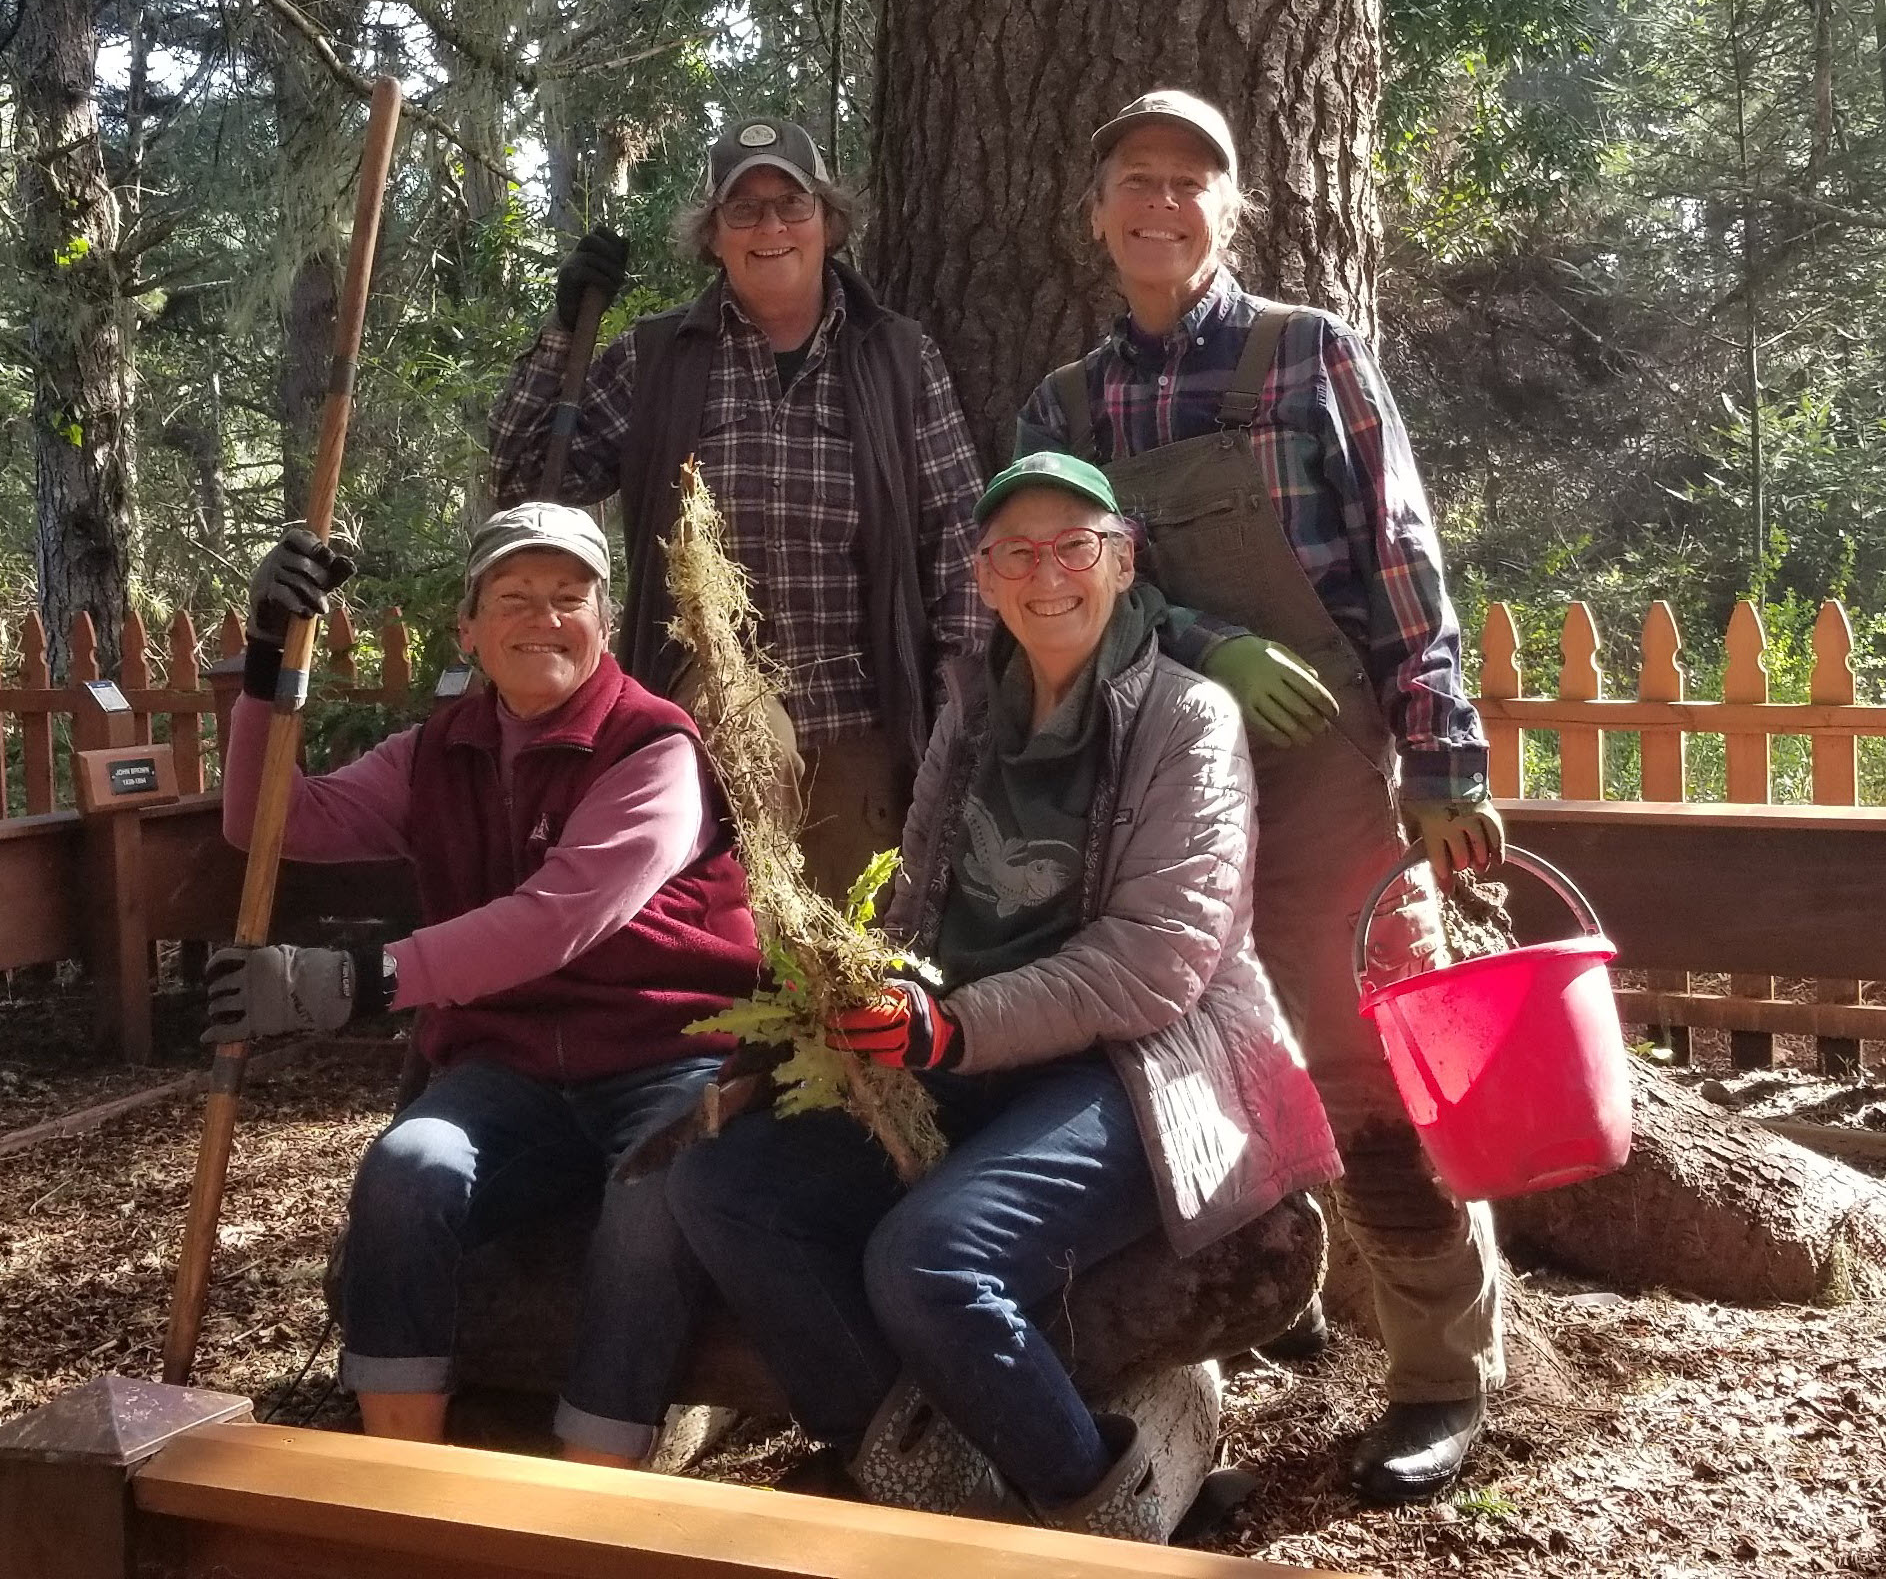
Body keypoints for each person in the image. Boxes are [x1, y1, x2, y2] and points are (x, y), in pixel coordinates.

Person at [662, 452, 1341, 1542]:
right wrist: (862, 989)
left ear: (1121, 564)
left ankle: (1090, 1513)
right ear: (982, 577)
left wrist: (950, 1024)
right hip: (962, 1055)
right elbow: (918, 904)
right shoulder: (971, 716)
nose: (1046, 574)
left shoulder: (1188, 718)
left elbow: (1155, 961)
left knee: (931, 1259)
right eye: (1015, 553)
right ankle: (914, 1480)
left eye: (1074, 547)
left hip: (1136, 1071)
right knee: (724, 1189)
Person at [1013, 88, 1507, 1504]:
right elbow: (1054, 586)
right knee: (1170, 1064)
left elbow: (1402, 559)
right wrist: (1197, 636)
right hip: (1148, 772)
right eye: (1135, 182)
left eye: (1190, 183)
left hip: (1326, 770)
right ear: (1095, 212)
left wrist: (1443, 759)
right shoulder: (1063, 405)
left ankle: (1437, 1375)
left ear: (1228, 211)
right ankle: (1243, 1315)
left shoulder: (1310, 356)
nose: (1161, 205)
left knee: (1366, 1065)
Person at [203, 502, 759, 1464]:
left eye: (568, 597)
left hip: (668, 1057)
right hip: (509, 1076)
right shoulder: (437, 750)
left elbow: (562, 914)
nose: (542, 617)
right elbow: (266, 820)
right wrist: (265, 662)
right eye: (513, 596)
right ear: (469, 629)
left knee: (648, 1204)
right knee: (406, 1171)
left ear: (604, 622)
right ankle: (403, 1475)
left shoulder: (654, 749)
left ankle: (594, 1493)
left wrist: (362, 980)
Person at [488, 118, 985, 901]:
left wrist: (962, 702)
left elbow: (958, 534)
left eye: (791, 204)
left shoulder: (898, 360)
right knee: (729, 972)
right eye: (743, 211)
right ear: (712, 238)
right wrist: (561, 331)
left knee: (852, 980)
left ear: (830, 223)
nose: (771, 227)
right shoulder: (658, 362)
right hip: (702, 721)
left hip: (865, 728)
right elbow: (522, 480)